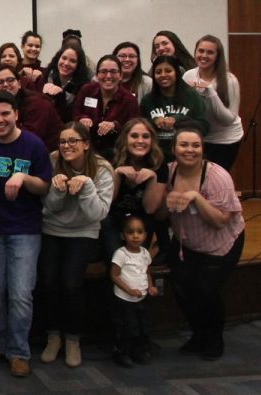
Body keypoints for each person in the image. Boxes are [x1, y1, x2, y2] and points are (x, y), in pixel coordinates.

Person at [0, 91, 52, 378]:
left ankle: (18, 351)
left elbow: (44, 186)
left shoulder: (33, 144)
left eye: (5, 114)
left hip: (25, 230)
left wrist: (23, 177)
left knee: (20, 294)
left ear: (16, 114)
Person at [162, 124, 245, 361]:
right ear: (174, 148)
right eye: (184, 145)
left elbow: (220, 222)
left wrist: (196, 197)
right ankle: (198, 334)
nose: (190, 150)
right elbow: (158, 212)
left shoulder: (217, 176)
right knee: (181, 290)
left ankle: (214, 338)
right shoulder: (168, 172)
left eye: (196, 145)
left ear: (203, 149)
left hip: (221, 243)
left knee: (207, 291)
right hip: (186, 244)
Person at [37, 122, 114, 368]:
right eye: (63, 142)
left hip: (84, 232)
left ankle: (72, 339)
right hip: (52, 229)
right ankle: (53, 336)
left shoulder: (102, 168)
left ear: (86, 144)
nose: (67, 146)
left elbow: (97, 214)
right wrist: (58, 190)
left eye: (73, 141)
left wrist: (86, 185)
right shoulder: (52, 161)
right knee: (48, 281)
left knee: (71, 283)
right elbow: (50, 207)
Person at [100, 118, 167, 262]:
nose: (140, 141)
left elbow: (150, 209)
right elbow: (106, 203)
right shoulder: (109, 157)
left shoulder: (159, 163)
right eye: (134, 136)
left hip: (141, 219)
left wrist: (153, 178)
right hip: (111, 217)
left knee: (135, 262)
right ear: (125, 138)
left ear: (152, 140)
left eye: (146, 136)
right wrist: (117, 174)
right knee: (116, 259)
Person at [183, 35, 243, 170]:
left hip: (226, 140)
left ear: (217, 56)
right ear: (195, 52)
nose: (204, 55)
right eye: (201, 51)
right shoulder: (188, 76)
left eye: (210, 52)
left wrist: (210, 92)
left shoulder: (230, 81)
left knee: (216, 180)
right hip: (201, 138)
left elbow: (228, 119)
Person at [109, 215, 159, 368]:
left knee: (142, 325)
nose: (135, 236)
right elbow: (114, 275)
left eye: (139, 232)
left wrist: (150, 286)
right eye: (131, 232)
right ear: (123, 235)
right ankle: (122, 352)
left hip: (142, 297)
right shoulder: (121, 254)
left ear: (145, 234)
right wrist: (129, 290)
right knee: (127, 326)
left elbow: (147, 271)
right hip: (125, 299)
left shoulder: (144, 253)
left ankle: (138, 350)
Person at [71, 55, 140, 160]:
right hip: (85, 150)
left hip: (115, 153)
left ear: (120, 75)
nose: (108, 76)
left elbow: (134, 128)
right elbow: (74, 114)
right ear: (97, 75)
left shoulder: (129, 100)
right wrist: (82, 118)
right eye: (103, 71)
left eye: (113, 71)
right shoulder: (86, 91)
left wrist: (115, 126)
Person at [140, 56, 209, 160]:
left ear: (176, 72)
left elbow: (204, 127)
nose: (163, 75)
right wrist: (153, 122)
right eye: (158, 72)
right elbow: (139, 126)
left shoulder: (192, 96)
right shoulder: (147, 100)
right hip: (155, 156)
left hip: (186, 155)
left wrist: (178, 119)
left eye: (168, 71)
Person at [0, 65, 62, 150]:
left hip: (46, 154)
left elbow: (27, 141)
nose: (5, 84)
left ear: (19, 84)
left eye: (10, 80)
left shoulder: (38, 104)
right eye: (0, 82)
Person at [41, 44, 91, 123]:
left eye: (72, 61)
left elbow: (77, 114)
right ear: (58, 58)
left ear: (78, 65)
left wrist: (61, 95)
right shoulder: (45, 76)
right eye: (64, 58)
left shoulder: (84, 86)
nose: (66, 63)